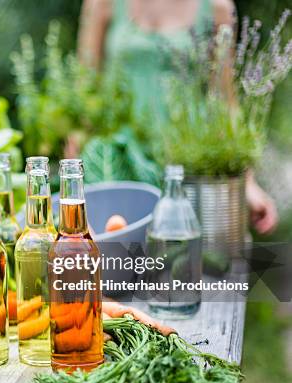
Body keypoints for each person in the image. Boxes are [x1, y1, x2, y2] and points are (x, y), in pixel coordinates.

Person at [76, 0, 278, 235]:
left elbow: (225, 102)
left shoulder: (217, 7)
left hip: (184, 170)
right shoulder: (102, 3)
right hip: (118, 163)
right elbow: (85, 88)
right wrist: (82, 157)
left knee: (183, 262)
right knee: (117, 262)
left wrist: (248, 182)